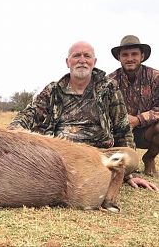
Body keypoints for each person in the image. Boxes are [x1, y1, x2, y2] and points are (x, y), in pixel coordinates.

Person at [9, 41, 158, 191]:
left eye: (87, 56)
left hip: (100, 156)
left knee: (130, 156)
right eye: (76, 56)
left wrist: (128, 175)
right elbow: (29, 114)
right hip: (60, 153)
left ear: (94, 62)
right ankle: (88, 175)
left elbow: (123, 129)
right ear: (68, 62)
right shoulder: (53, 90)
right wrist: (12, 133)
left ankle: (78, 174)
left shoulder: (109, 88)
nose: (82, 60)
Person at [109, 35, 159, 177]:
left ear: (142, 56)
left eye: (134, 54)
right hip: (118, 134)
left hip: (146, 132)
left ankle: (149, 157)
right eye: (125, 55)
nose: (129, 58)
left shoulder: (155, 77)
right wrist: (123, 122)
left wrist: (138, 119)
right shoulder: (109, 81)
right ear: (119, 58)